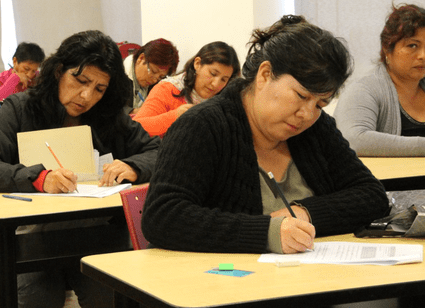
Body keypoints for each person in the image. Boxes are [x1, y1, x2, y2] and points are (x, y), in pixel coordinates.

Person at [141, 15, 389, 256]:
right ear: (265, 74)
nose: (306, 113)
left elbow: (371, 195)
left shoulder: (316, 128)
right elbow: (164, 216)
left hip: (306, 284)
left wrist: (304, 213)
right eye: (301, 96)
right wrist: (266, 233)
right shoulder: (203, 125)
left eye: (320, 104)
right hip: (222, 287)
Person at [0, 30, 161, 308]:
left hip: (92, 235)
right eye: (80, 81)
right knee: (38, 298)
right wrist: (39, 178)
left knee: (115, 297)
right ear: (58, 71)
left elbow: (159, 152)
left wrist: (133, 166)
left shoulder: (107, 116)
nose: (86, 95)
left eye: (99, 89)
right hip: (25, 234)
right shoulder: (21, 108)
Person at [334, 4, 425, 156]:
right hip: (386, 179)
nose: (423, 55)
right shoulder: (364, 89)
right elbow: (354, 139)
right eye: (412, 45)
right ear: (387, 49)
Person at [133, 41, 239, 137]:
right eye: (213, 73)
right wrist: (175, 116)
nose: (215, 84)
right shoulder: (167, 89)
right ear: (197, 64)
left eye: (224, 80)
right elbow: (136, 129)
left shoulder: (224, 101)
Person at [123, 38, 179, 114]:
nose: (155, 80)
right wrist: (133, 111)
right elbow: (108, 110)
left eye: (161, 77)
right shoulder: (116, 74)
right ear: (141, 58)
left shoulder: (157, 83)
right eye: (153, 71)